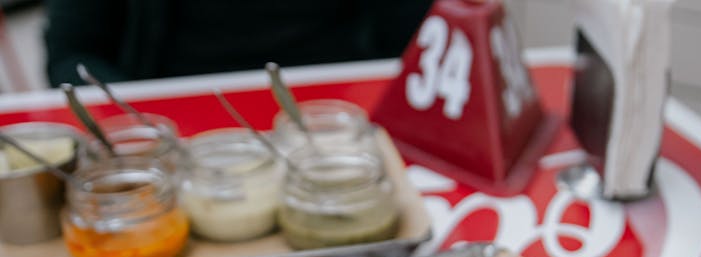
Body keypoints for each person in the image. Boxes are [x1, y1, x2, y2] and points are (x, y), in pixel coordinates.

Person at [44, 0, 433, 86]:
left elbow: (424, 45)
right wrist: (133, 126)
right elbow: (71, 56)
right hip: (169, 128)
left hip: (342, 112)